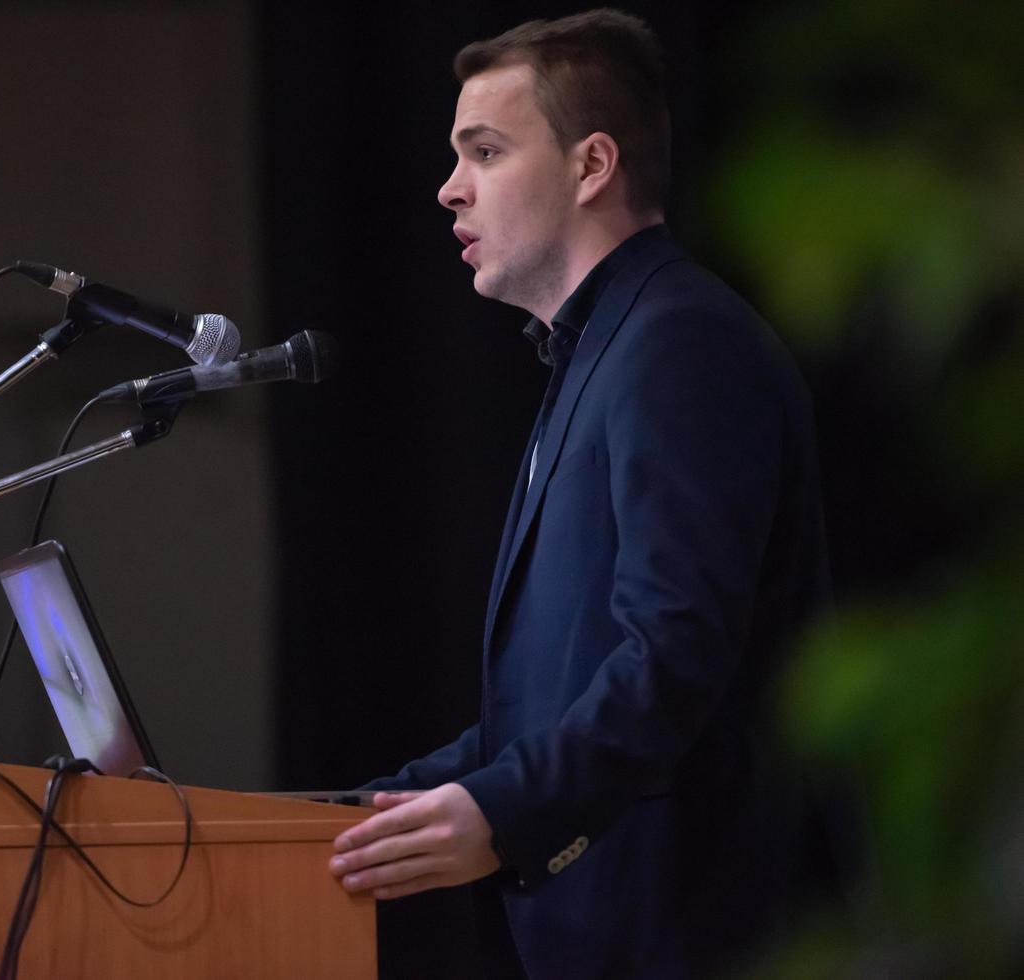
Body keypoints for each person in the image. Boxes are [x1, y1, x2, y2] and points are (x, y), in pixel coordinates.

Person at [326, 10, 830, 978]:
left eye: (483, 150)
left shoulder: (678, 346)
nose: (447, 187)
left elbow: (674, 657)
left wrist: (504, 812)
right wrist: (338, 820)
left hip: (689, 938)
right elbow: (543, 704)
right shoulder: (601, 354)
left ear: (589, 164)